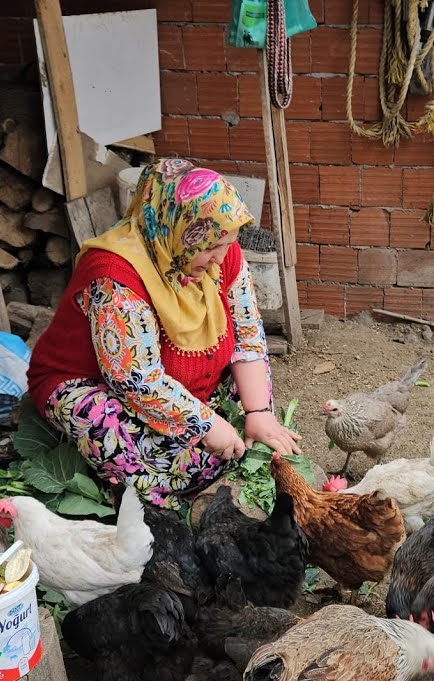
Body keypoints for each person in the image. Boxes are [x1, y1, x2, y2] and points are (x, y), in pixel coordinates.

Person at [27, 159, 301, 511]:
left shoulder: (222, 251)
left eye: (226, 243)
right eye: (208, 246)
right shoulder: (116, 275)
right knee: (142, 447)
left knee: (250, 405)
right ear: (176, 226)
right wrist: (206, 425)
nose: (220, 258)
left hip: (178, 379)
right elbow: (135, 378)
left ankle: (216, 446)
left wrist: (259, 411)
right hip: (94, 382)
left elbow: (248, 332)